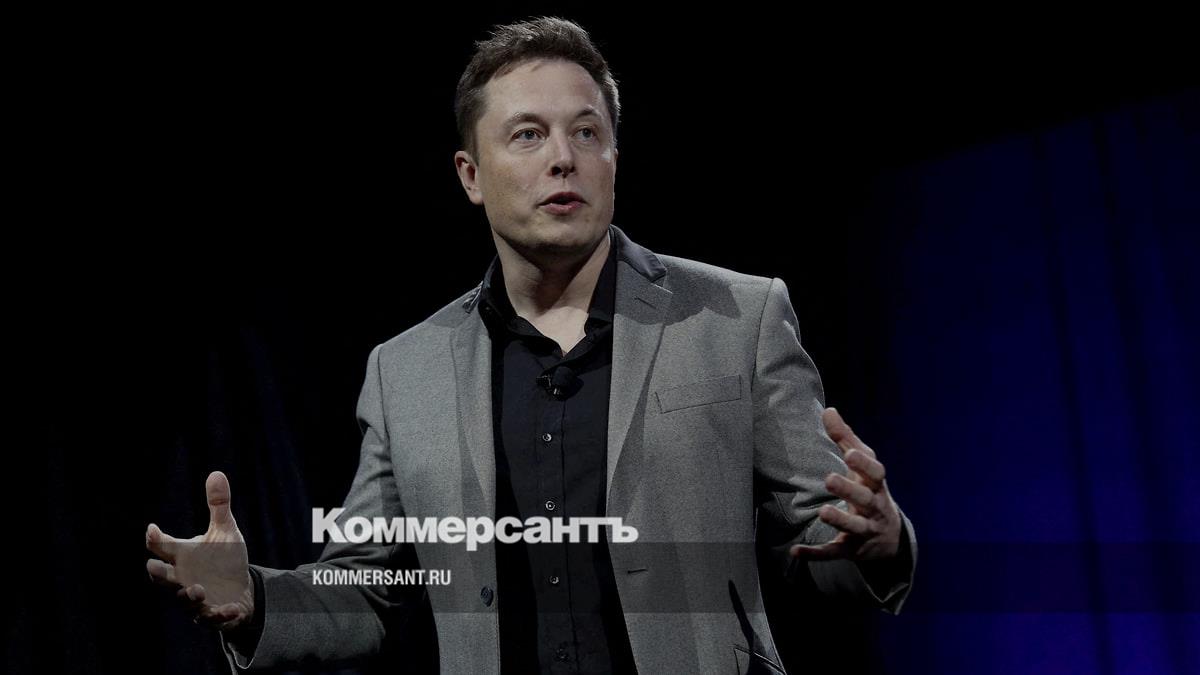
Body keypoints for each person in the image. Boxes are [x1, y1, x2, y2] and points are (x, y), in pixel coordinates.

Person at [145, 16, 916, 674]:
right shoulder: (404, 371)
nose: (563, 156)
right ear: (471, 175)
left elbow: (827, 541)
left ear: (614, 159)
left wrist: (880, 543)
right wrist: (255, 597)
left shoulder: (737, 317)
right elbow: (369, 587)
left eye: (587, 132)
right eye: (528, 134)